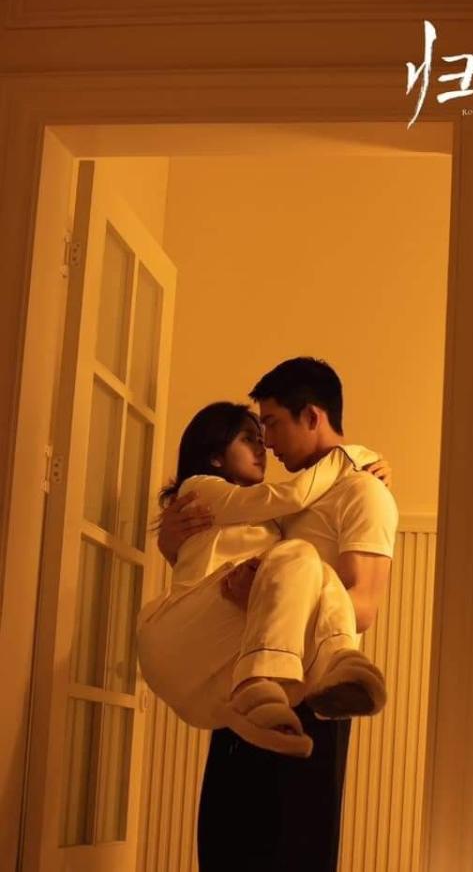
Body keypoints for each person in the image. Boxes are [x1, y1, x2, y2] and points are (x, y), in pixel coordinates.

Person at [158, 357, 399, 872]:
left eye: (271, 424)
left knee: (296, 854)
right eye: (256, 431)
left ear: (311, 416)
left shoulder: (363, 491)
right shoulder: (278, 499)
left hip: (314, 692)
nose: (266, 442)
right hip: (244, 675)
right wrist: (170, 544)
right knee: (225, 845)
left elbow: (363, 608)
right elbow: (219, 562)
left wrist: (266, 596)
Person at [136, 400, 389, 758]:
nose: (263, 447)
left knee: (314, 570)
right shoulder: (201, 489)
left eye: (263, 435)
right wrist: (353, 457)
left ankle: (299, 688)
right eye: (249, 438)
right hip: (173, 639)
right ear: (215, 457)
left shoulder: (268, 518)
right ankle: (330, 660)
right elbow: (293, 494)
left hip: (216, 671)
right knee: (299, 554)